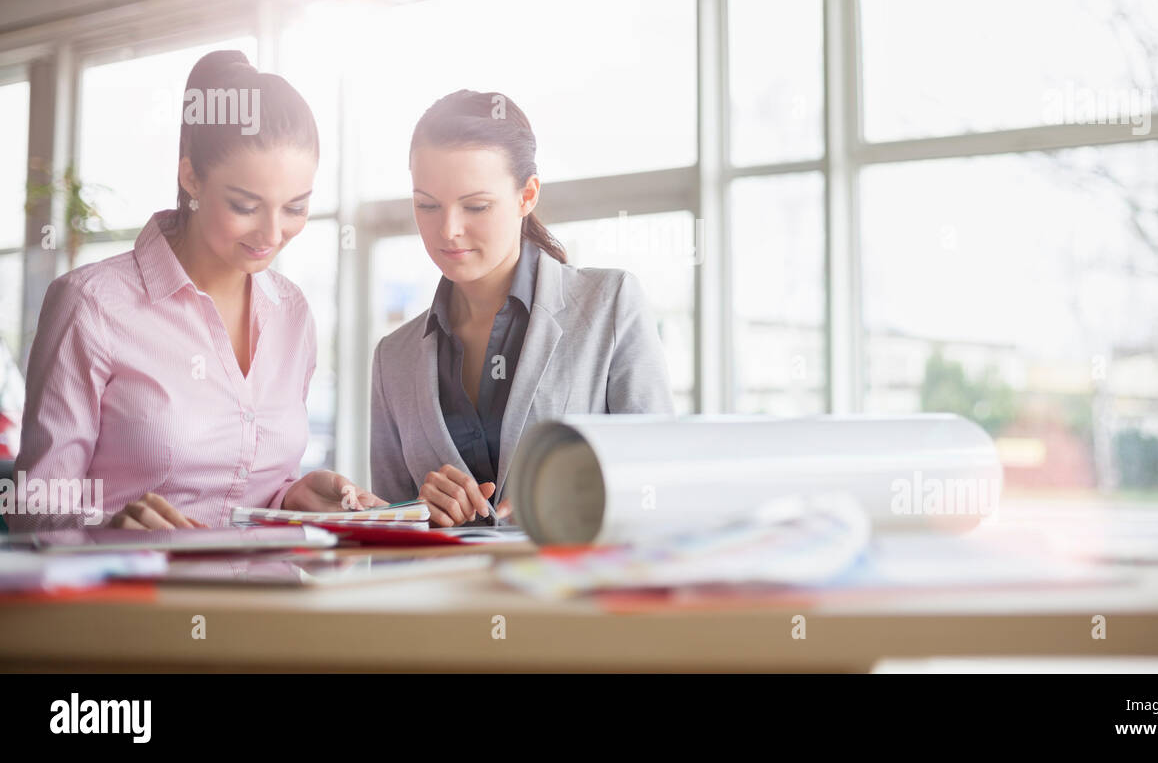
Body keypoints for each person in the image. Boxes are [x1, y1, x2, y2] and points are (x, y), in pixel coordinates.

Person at [5, 50, 383, 531]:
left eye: (295, 207)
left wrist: (292, 497)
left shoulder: (292, 313)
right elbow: (33, 510)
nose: (271, 233)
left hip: (270, 600)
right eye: (245, 205)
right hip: (133, 603)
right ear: (191, 178)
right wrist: (106, 533)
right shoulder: (92, 305)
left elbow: (250, 486)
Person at [369, 90, 674, 527]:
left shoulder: (609, 304)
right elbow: (386, 528)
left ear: (527, 195)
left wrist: (579, 497)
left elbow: (660, 484)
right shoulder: (393, 358)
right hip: (442, 593)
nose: (448, 230)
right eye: (427, 205)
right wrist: (416, 510)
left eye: (476, 205)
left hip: (572, 590)